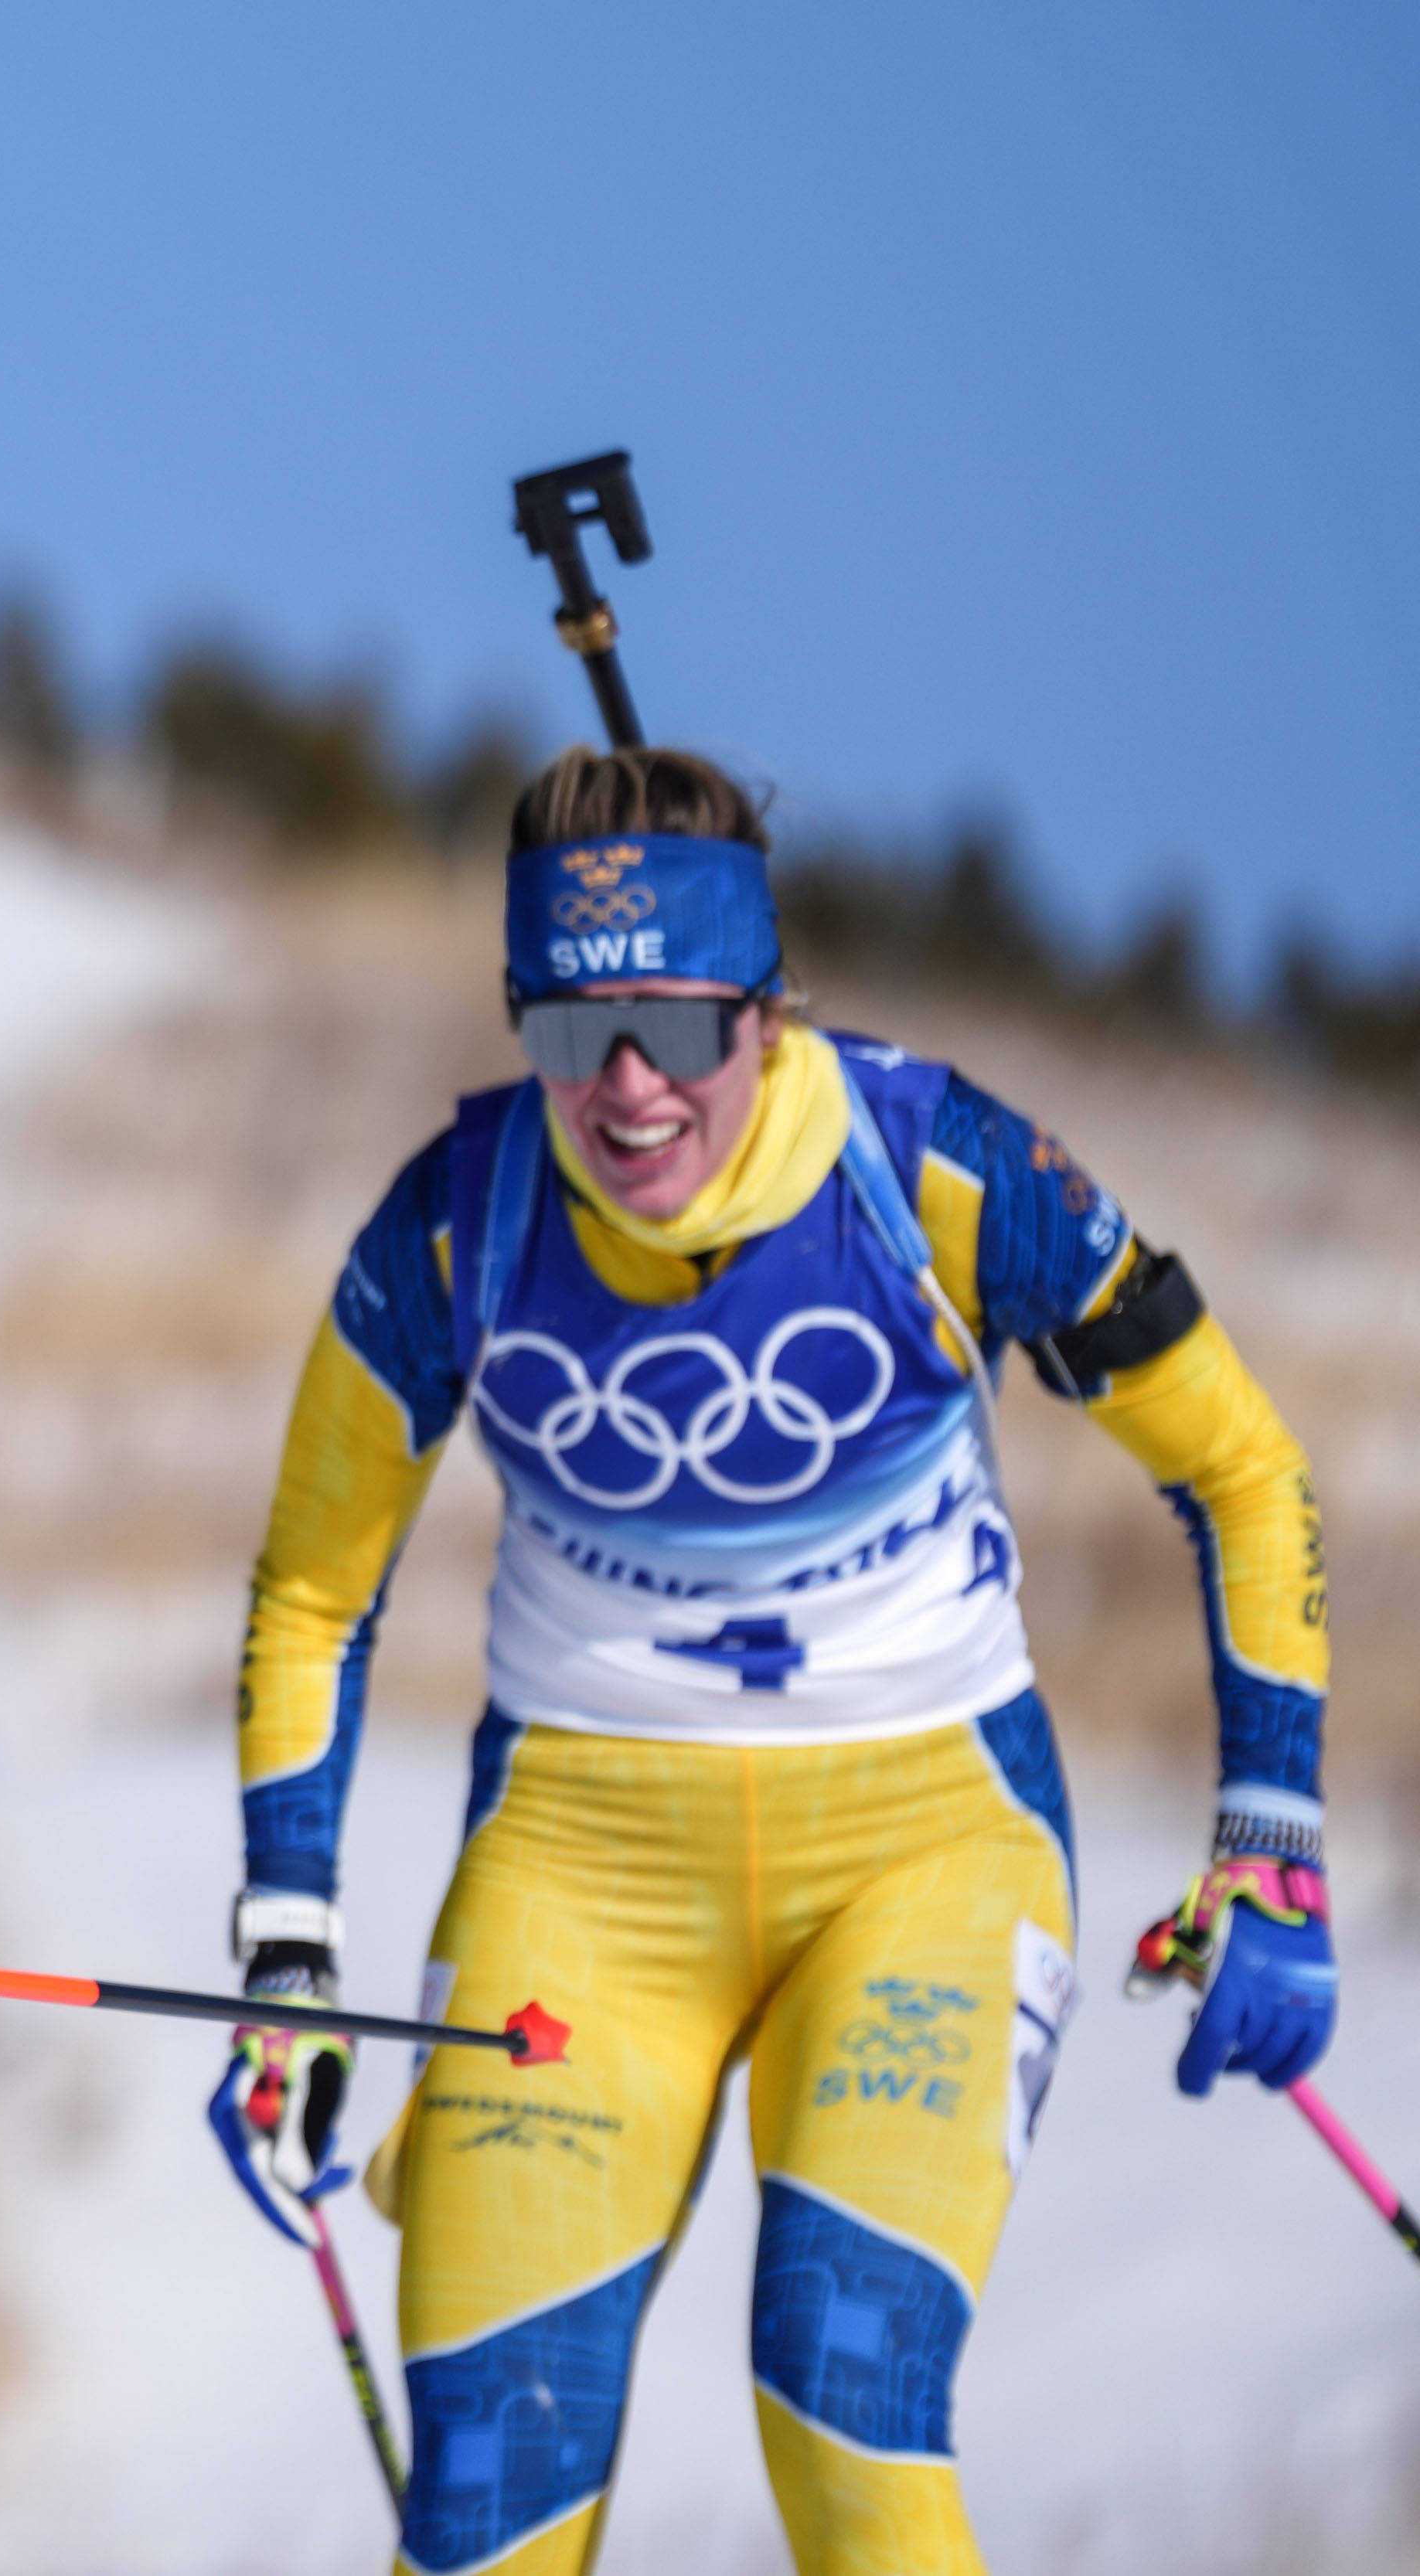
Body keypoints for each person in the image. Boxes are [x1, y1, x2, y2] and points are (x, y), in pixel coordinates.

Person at [203, 747, 1334, 2575]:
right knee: (485, 2492)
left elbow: (1242, 1466)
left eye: (673, 1021)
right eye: (573, 1030)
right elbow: (310, 1596)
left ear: (762, 1001)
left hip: (922, 1850)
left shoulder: (935, 1168)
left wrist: (1268, 1830)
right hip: (581, 1870)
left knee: (841, 2394)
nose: (627, 1088)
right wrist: (286, 1948)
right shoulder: (453, 1222)